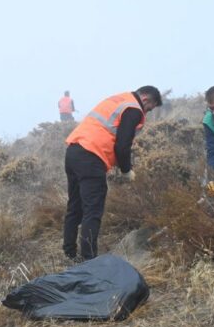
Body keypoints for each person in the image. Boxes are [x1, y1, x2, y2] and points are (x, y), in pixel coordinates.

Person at [63, 85, 162, 262]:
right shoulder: (133, 109)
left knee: (75, 206)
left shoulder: (120, 99)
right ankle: (90, 260)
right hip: (92, 156)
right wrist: (126, 170)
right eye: (149, 108)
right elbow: (122, 145)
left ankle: (69, 252)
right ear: (146, 99)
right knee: (92, 210)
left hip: (73, 151)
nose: (146, 112)